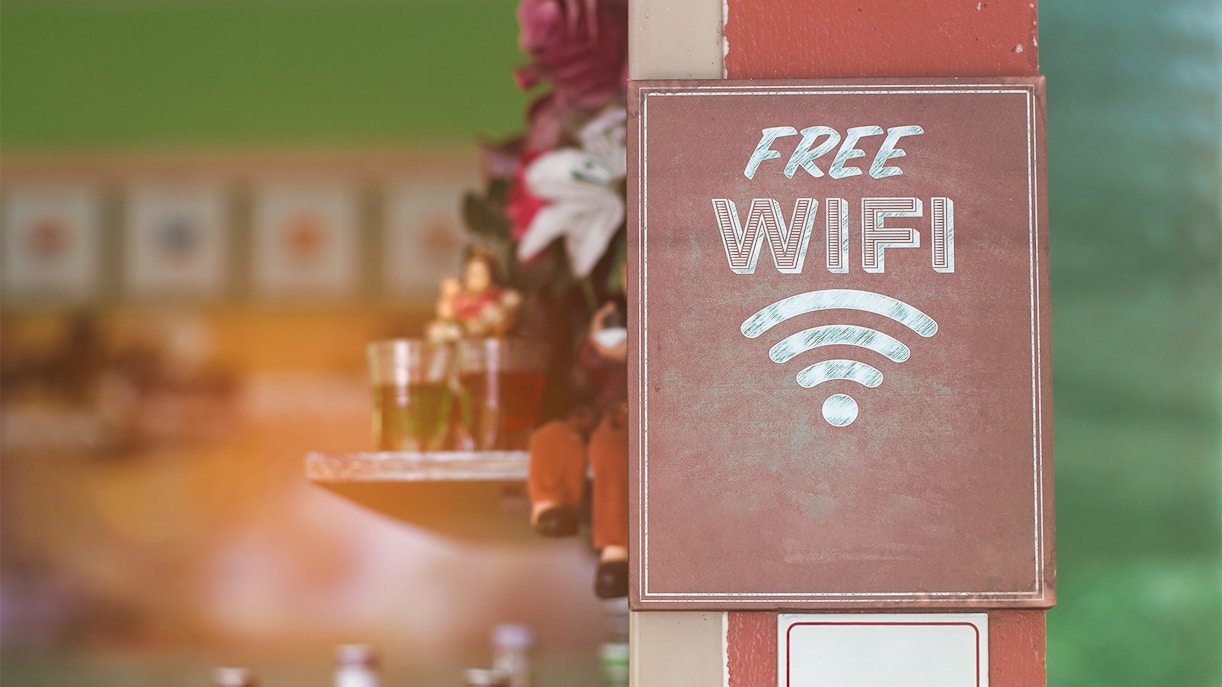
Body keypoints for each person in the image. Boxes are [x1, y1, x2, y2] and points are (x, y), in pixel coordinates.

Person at [526, 296, 630, 599]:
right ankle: (550, 503)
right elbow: (587, 371)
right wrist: (597, 348)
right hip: (598, 409)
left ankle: (616, 552)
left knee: (612, 451)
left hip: (631, 413)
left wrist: (637, 350)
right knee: (555, 435)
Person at [427, 247, 522, 342]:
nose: (475, 278)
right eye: (471, 273)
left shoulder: (499, 295)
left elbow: (509, 312)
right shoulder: (460, 296)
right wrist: (447, 296)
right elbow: (445, 316)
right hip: (462, 338)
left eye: (480, 273)